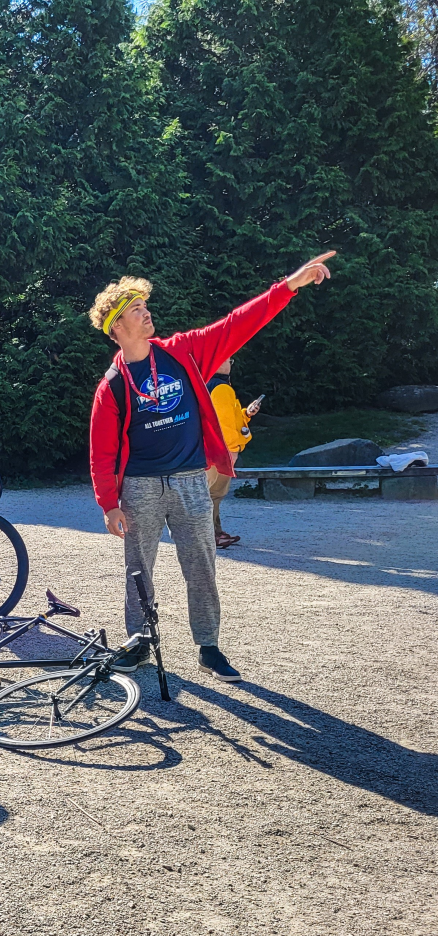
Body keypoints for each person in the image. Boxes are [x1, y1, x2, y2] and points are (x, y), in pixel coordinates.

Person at [89, 251, 336, 681]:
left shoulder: (182, 352)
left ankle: (208, 647)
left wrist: (288, 286)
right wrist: (109, 504)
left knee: (201, 565)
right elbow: (101, 452)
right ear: (118, 328)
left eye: (145, 306)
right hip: (141, 487)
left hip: (190, 480)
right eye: (136, 310)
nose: (147, 313)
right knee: (138, 569)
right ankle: (140, 641)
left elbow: (236, 324)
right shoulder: (111, 386)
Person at [207, 357, 261, 548]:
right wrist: (233, 450)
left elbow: (228, 418)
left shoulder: (210, 384)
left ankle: (215, 533)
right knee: (213, 494)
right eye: (228, 360)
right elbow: (225, 426)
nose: (230, 364)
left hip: (210, 450)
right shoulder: (221, 388)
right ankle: (211, 536)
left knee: (211, 495)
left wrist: (246, 414)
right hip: (220, 452)